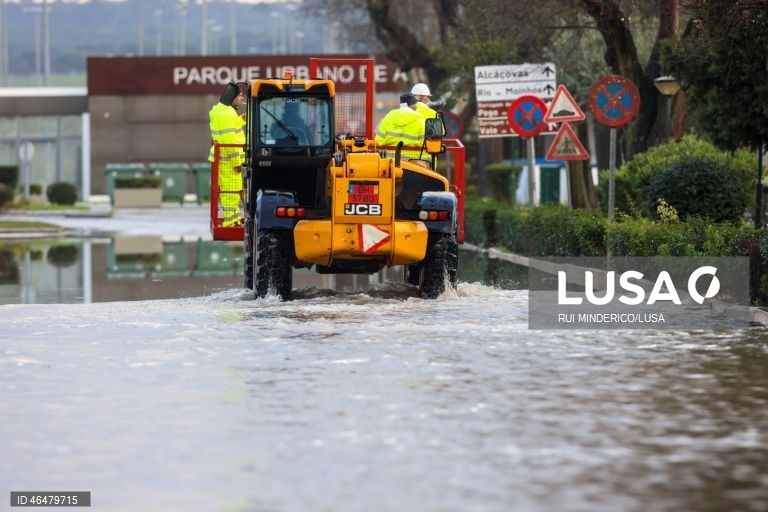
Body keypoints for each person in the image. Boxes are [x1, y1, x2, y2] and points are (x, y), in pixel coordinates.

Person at [208, 82, 246, 227]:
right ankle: (230, 222)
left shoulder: (225, 111)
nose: (242, 98)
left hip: (227, 159)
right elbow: (229, 139)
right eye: (240, 95)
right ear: (232, 97)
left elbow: (232, 128)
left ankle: (234, 219)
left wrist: (242, 119)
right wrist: (236, 162)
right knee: (230, 192)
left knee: (234, 190)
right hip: (229, 160)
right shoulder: (226, 114)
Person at [375, 92, 426, 160]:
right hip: (413, 161)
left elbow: (379, 140)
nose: (416, 106)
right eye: (414, 104)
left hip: (391, 159)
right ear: (410, 105)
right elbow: (424, 143)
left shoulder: (390, 115)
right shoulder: (419, 119)